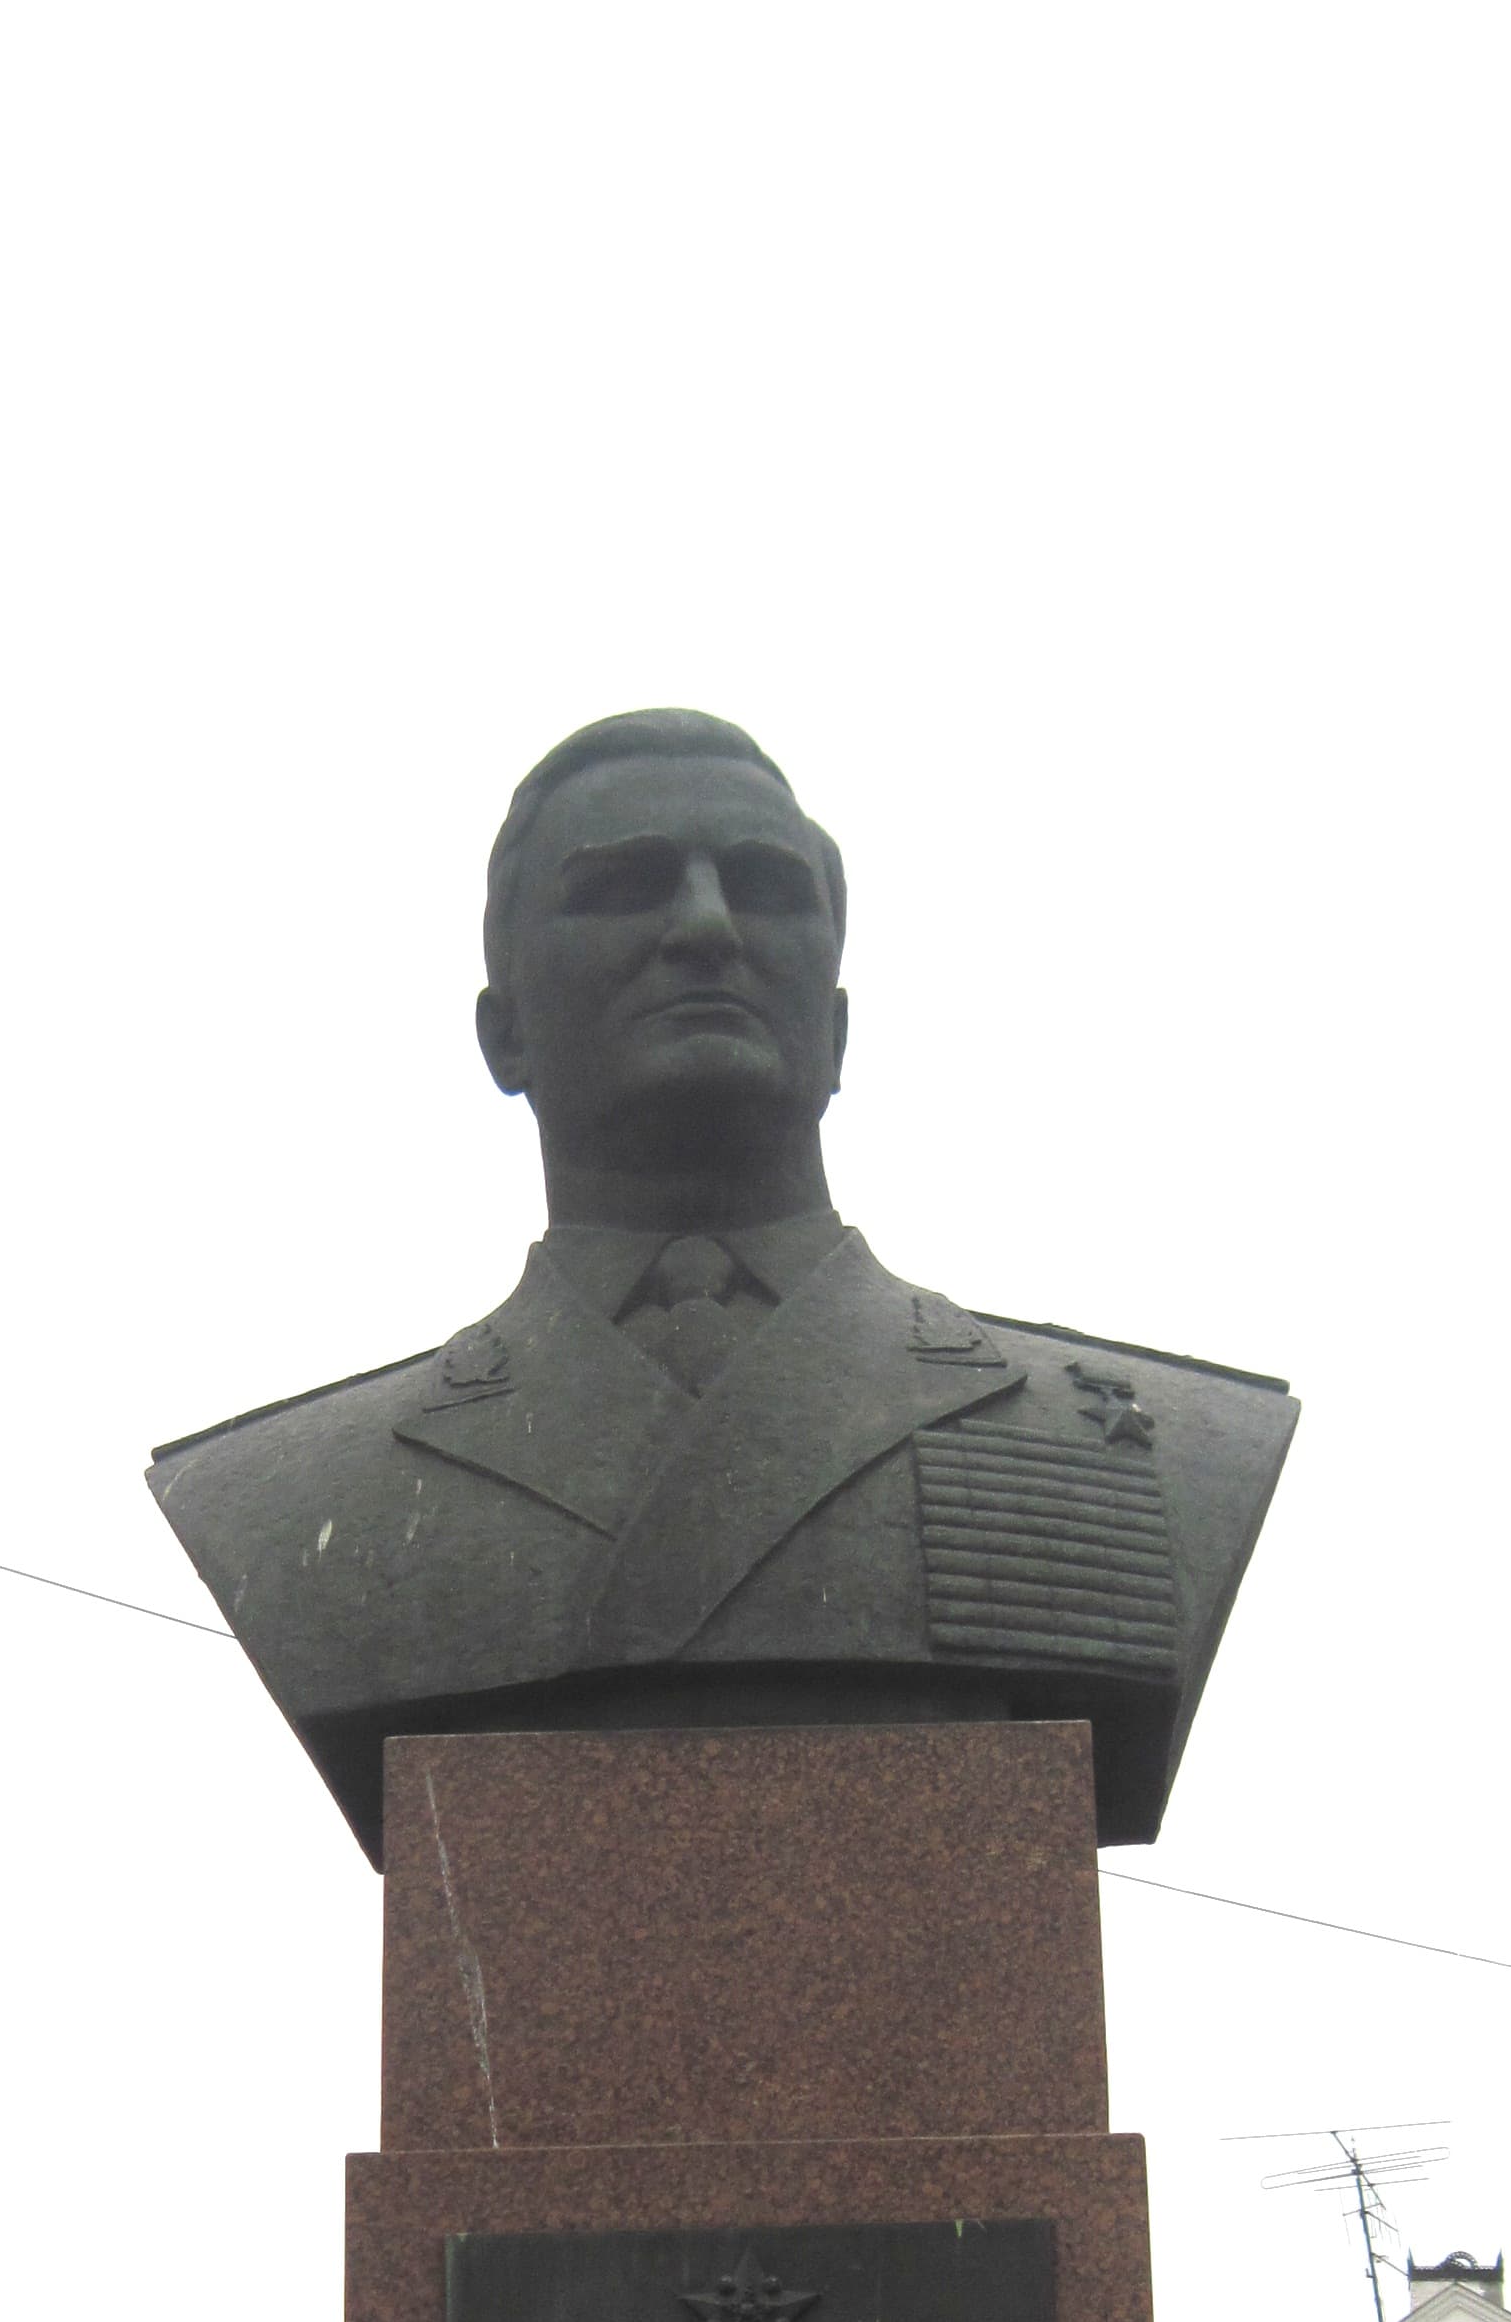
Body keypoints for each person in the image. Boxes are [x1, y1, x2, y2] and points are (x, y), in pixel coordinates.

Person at [148, 710, 1294, 1863]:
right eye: (622, 888)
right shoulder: (299, 1496)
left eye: (763, 887)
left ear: (838, 1032)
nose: (705, 926)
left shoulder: (1134, 1446)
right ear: (503, 1037)